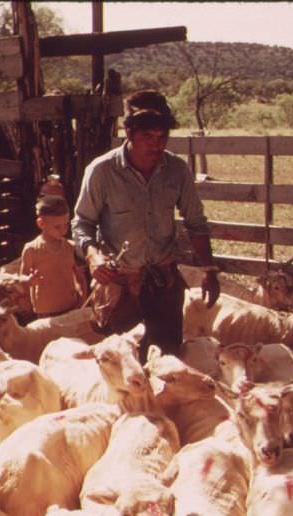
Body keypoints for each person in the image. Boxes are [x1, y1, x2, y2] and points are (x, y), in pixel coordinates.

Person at [71, 89, 219, 359]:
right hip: (120, 286)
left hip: (163, 282)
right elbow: (82, 222)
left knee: (167, 359)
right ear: (129, 135)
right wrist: (93, 256)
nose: (156, 145)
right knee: (121, 363)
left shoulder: (176, 170)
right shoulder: (102, 171)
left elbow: (196, 222)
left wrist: (209, 269)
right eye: (147, 137)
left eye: (162, 137)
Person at [19, 194, 87, 318]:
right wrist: (29, 281)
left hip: (71, 308)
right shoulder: (31, 250)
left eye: (66, 225)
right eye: (57, 227)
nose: (63, 231)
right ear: (41, 224)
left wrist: (82, 301)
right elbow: (22, 280)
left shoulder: (70, 247)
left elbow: (80, 278)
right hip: (46, 313)